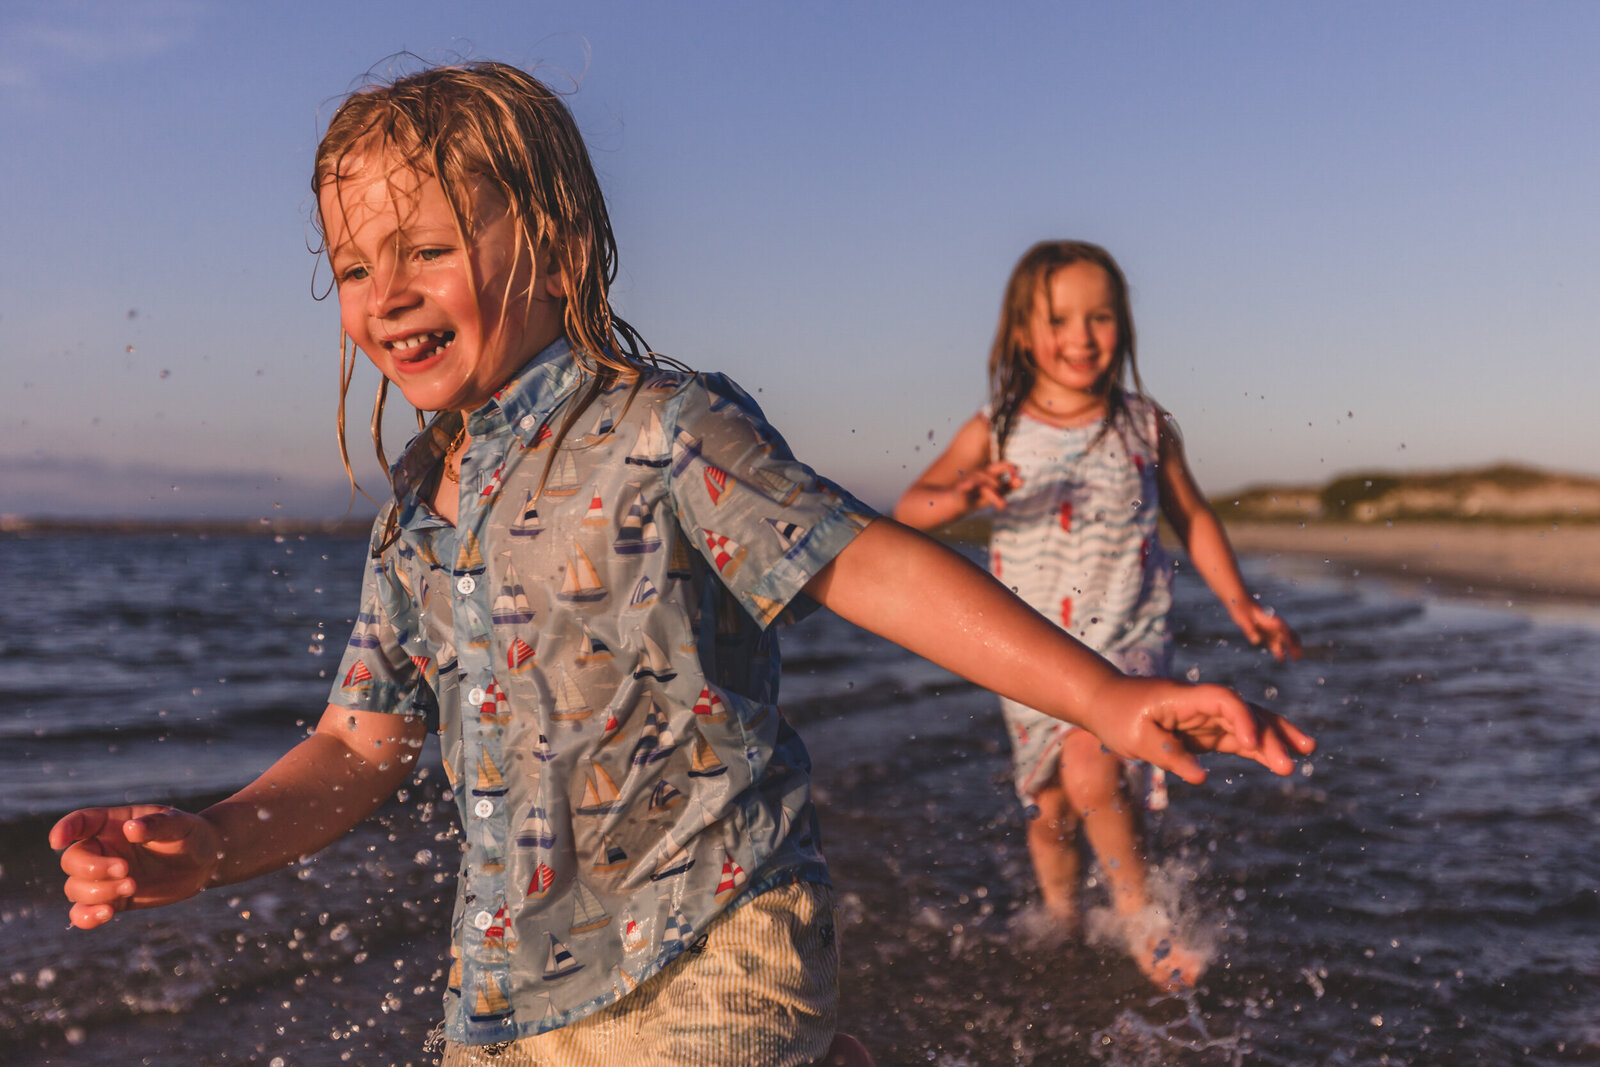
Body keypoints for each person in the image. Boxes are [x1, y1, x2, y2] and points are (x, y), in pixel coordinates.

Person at [50, 70, 1311, 1066]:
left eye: (426, 249)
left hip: (714, 935)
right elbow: (359, 746)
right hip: (504, 1000)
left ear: (551, 240)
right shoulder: (415, 519)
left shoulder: (665, 429)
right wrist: (210, 843)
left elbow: (861, 560)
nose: (386, 294)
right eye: (353, 267)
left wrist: (1104, 696)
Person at [894, 240, 1303, 989]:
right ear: (1022, 332)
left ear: (1124, 326)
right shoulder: (996, 429)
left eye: (1101, 317)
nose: (1082, 336)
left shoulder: (1144, 427)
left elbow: (1194, 515)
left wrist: (1241, 602)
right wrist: (962, 495)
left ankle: (1142, 919)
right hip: (1027, 651)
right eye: (1060, 318)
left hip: (1128, 640)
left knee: (1092, 762)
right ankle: (1061, 919)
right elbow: (909, 509)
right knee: (1048, 805)